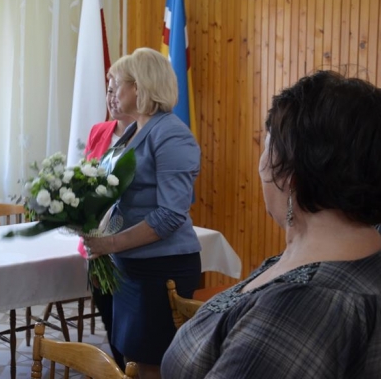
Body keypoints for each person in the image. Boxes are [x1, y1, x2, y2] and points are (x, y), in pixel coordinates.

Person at [162, 71, 381, 378]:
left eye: (266, 147)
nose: (261, 163)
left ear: (290, 176)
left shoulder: (301, 310)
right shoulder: (353, 253)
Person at [82, 48, 201, 379]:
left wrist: (110, 244)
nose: (113, 91)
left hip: (161, 269)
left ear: (139, 87)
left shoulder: (172, 134)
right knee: (130, 358)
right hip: (131, 267)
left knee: (150, 364)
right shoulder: (135, 130)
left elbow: (170, 215)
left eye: (118, 83)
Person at [83, 73, 133, 370]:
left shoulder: (146, 134)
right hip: (98, 240)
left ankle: (130, 368)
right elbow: (85, 179)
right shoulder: (99, 131)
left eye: (117, 90)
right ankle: (121, 368)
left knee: (130, 321)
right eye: (108, 91)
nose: (111, 98)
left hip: (130, 239)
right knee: (107, 310)